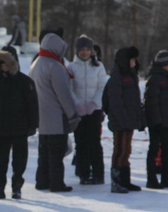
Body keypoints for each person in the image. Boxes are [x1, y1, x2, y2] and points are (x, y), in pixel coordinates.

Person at [29, 32, 80, 193]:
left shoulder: (36, 64)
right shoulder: (55, 66)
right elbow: (63, 94)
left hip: (41, 118)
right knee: (56, 154)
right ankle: (57, 183)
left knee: (43, 153)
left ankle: (42, 181)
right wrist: (72, 114)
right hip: (56, 119)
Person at [0, 48, 38, 199]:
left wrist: (32, 125)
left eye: (6, 64)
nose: (4, 68)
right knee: (0, 161)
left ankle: (17, 187)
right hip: (3, 128)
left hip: (21, 128)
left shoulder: (25, 82)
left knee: (19, 161)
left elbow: (32, 106)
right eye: (1, 65)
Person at [67, 35, 107, 185]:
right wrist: (77, 105)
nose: (84, 52)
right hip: (78, 111)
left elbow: (102, 86)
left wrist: (93, 104)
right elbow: (69, 88)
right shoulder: (71, 67)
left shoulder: (98, 67)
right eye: (81, 50)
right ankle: (83, 174)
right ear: (77, 51)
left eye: (87, 49)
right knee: (81, 142)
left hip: (94, 111)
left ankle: (98, 174)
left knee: (94, 143)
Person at [105, 46, 146, 193]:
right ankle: (116, 182)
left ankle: (125, 180)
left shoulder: (131, 75)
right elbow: (116, 102)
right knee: (120, 151)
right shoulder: (117, 77)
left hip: (129, 120)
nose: (135, 62)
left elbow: (134, 100)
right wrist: (123, 120)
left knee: (126, 151)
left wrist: (138, 119)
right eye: (133, 59)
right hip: (120, 122)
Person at [143, 50, 168, 189]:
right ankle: (151, 179)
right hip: (157, 122)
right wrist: (157, 121)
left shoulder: (167, 76)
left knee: (167, 150)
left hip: (167, 119)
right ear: (164, 64)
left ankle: (166, 178)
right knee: (154, 149)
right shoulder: (155, 77)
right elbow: (151, 101)